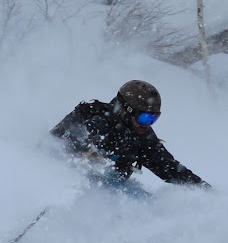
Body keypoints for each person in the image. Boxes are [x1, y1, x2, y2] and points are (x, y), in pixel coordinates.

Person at [50, 80, 208, 188]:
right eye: (145, 118)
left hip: (112, 191)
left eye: (154, 118)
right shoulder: (93, 119)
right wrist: (88, 157)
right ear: (126, 111)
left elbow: (169, 169)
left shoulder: (142, 136)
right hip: (72, 183)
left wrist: (204, 190)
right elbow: (58, 145)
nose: (148, 125)